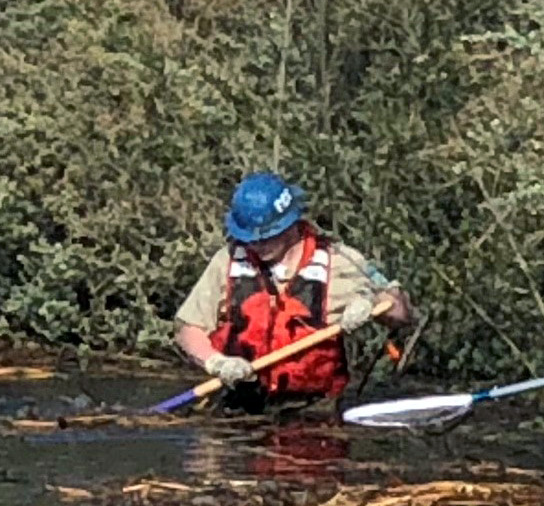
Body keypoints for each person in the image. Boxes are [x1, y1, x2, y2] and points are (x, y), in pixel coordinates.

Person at [172, 173, 410, 409]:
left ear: (290, 224)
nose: (258, 245)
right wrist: (216, 363)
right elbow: (189, 328)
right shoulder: (227, 261)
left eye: (267, 236)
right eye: (251, 239)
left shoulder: (339, 261)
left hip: (313, 412)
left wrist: (373, 304)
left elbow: (400, 311)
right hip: (236, 405)